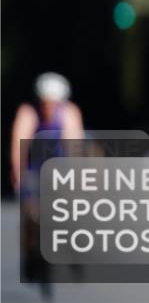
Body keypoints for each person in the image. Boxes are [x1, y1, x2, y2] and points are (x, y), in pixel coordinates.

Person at [9, 72, 85, 299]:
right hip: (34, 171)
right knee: (31, 217)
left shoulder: (69, 113)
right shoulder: (28, 113)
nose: (48, 107)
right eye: (45, 103)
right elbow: (18, 146)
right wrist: (18, 175)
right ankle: (29, 254)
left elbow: (75, 147)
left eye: (53, 103)